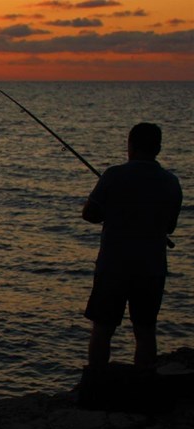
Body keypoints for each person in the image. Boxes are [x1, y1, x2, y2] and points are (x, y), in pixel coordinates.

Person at [82, 123, 182, 369]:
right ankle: (144, 388)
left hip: (113, 267)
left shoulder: (114, 175)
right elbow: (169, 227)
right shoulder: (171, 182)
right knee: (146, 331)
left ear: (131, 146)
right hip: (152, 269)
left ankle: (96, 384)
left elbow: (90, 214)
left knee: (103, 329)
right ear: (158, 148)